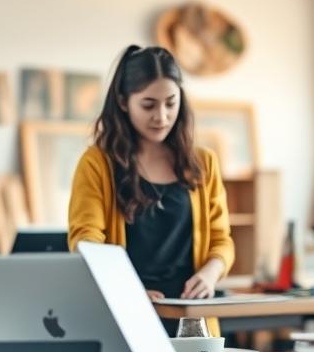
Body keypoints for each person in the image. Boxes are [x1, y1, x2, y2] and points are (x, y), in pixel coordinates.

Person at [68, 46, 234, 303]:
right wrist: (125, 290)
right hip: (125, 310)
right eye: (148, 105)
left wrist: (210, 274)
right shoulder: (97, 164)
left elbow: (221, 240)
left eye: (171, 103)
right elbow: (86, 240)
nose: (162, 117)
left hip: (192, 314)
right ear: (123, 102)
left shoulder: (204, 163)